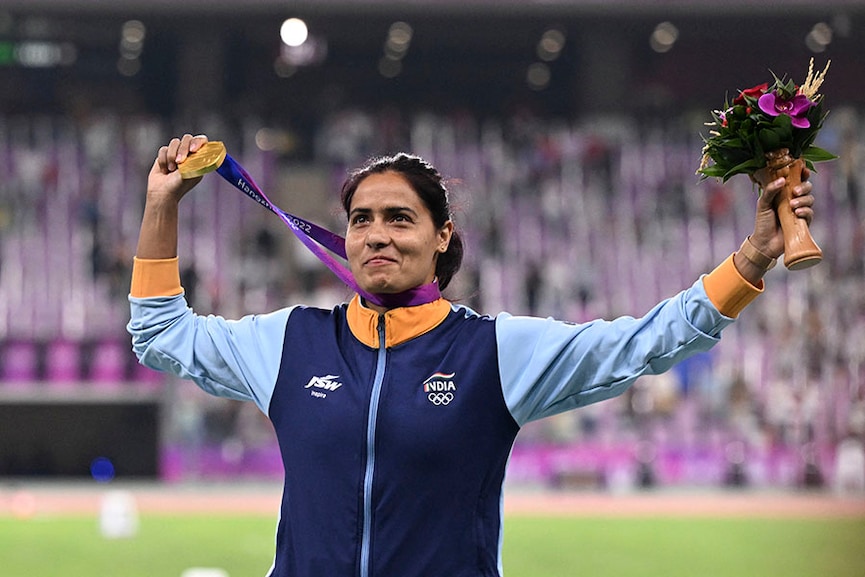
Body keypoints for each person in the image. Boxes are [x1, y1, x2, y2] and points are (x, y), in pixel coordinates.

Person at [128, 134, 815, 577]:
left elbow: (641, 344)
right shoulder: (288, 341)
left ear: (441, 235)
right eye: (361, 220)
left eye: (399, 218)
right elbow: (159, 334)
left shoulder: (494, 351)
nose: (376, 235)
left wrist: (752, 257)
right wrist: (162, 203)